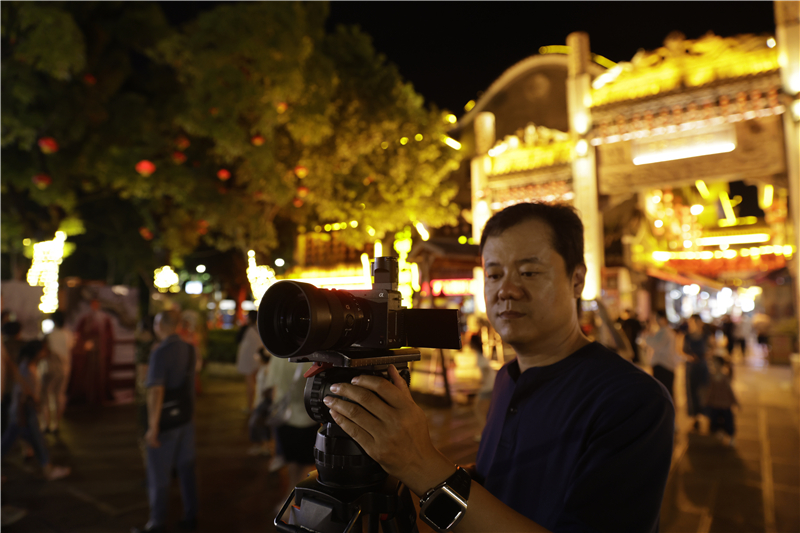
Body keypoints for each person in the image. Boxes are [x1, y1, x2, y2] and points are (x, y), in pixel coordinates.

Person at [322, 202, 674, 532]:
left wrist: (421, 463)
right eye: (493, 274)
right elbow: (503, 484)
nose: (506, 290)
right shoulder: (508, 378)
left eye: (529, 272)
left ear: (577, 280)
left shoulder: (632, 401)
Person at [132, 310, 198, 533]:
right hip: (185, 419)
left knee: (159, 474)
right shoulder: (189, 349)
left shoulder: (160, 352)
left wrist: (152, 427)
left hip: (166, 421)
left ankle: (157, 523)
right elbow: (189, 387)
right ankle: (191, 516)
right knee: (187, 470)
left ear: (160, 326)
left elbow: (156, 390)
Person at [1, 341, 71, 481]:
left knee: (17, 441)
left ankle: (47, 468)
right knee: (33, 440)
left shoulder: (29, 366)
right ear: (37, 352)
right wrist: (32, 405)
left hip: (23, 412)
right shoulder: (26, 368)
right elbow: (22, 393)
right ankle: (47, 469)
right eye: (43, 350)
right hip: (24, 412)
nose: (45, 353)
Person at [264, 355, 318, 501]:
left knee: (292, 462)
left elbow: (271, 387)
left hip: (285, 417)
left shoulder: (278, 356)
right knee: (305, 464)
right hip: (307, 417)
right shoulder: (311, 357)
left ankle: (290, 498)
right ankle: (294, 499)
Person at [71, 299, 114, 405]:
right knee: (87, 373)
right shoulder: (86, 318)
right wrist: (84, 344)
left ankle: (98, 395)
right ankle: (87, 395)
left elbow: (109, 337)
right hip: (88, 351)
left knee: (99, 372)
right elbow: (79, 333)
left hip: (100, 350)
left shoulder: (104, 318)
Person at [41, 311, 74, 434]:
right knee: (59, 395)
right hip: (65, 368)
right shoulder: (68, 334)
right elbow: (71, 347)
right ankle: (56, 424)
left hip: (50, 368)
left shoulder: (49, 335)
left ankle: (45, 423)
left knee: (45, 395)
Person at [680, 314, 711, 431]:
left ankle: (705, 415)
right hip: (691, 367)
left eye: (693, 322)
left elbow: (712, 348)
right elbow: (681, 350)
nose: (691, 324)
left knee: (703, 391)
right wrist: (689, 357)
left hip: (702, 367)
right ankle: (695, 417)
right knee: (691, 392)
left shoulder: (706, 335)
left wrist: (706, 355)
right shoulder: (686, 336)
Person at [643, 310, 682, 399]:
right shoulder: (664, 331)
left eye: (657, 318)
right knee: (665, 393)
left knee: (663, 393)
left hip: (664, 365)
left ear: (663, 319)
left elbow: (654, 344)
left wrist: (647, 335)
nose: (656, 321)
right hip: (665, 365)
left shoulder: (665, 332)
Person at [706, 356, 739, 447]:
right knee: (714, 421)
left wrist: (736, 402)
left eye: (715, 363)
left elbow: (730, 391)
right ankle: (719, 433)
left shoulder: (725, 378)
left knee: (728, 422)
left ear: (721, 365)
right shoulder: (712, 377)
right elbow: (710, 391)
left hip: (725, 405)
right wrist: (707, 401)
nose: (714, 365)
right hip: (715, 405)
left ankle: (731, 437)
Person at [247, 350, 274, 457]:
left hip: (264, 401)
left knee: (256, 423)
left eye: (257, 354)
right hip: (261, 400)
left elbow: (267, 387)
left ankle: (263, 446)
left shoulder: (267, 369)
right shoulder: (263, 368)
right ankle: (265, 446)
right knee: (262, 424)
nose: (255, 356)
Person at [235, 310, 262, 412]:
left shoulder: (246, 329)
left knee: (250, 383)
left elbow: (237, 339)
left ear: (249, 318)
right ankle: (256, 404)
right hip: (259, 359)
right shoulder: (260, 329)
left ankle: (250, 406)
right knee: (257, 383)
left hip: (248, 360)